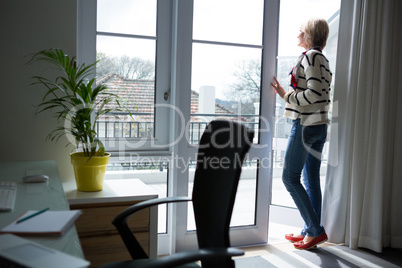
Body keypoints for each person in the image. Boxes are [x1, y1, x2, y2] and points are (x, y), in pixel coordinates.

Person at [271, 18, 332, 250]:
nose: (297, 34)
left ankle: (315, 231)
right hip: (319, 125)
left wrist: (286, 96)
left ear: (309, 34)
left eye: (301, 31)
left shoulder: (311, 56)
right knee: (311, 180)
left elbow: (314, 93)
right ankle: (310, 230)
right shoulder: (322, 59)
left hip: (306, 124)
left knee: (289, 178)